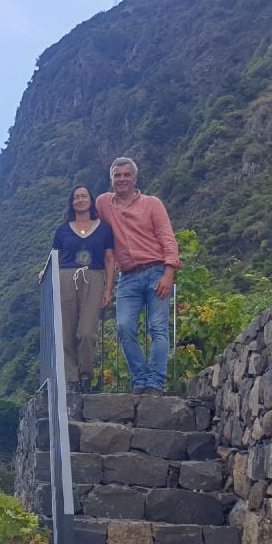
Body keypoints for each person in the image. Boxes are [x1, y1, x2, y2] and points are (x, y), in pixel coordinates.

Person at [95, 157, 181, 395]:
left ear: (135, 178)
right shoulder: (103, 203)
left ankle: (155, 383)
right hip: (127, 277)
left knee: (158, 327)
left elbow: (167, 238)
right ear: (111, 179)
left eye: (126, 175)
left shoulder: (152, 204)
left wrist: (169, 272)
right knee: (124, 327)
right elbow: (87, 227)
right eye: (117, 175)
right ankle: (140, 379)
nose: (122, 179)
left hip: (156, 271)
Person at [51, 184, 114, 392]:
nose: (80, 200)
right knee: (66, 332)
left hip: (94, 277)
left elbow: (109, 259)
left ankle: (86, 376)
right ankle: (72, 380)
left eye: (84, 196)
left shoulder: (104, 228)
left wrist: (108, 289)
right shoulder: (62, 230)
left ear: (91, 200)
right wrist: (46, 273)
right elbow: (55, 256)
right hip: (66, 278)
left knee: (87, 332)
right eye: (76, 197)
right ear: (71, 203)